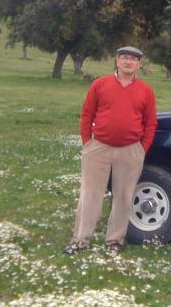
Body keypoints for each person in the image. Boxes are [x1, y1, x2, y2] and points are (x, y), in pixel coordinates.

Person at [64, 46, 157, 254]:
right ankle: (80, 240)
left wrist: (142, 148)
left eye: (133, 59)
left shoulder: (146, 90)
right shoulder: (100, 84)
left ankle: (115, 240)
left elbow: (150, 122)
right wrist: (87, 143)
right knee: (90, 194)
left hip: (130, 150)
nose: (128, 62)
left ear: (139, 64)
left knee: (123, 196)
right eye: (124, 58)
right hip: (98, 148)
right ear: (117, 61)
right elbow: (87, 114)